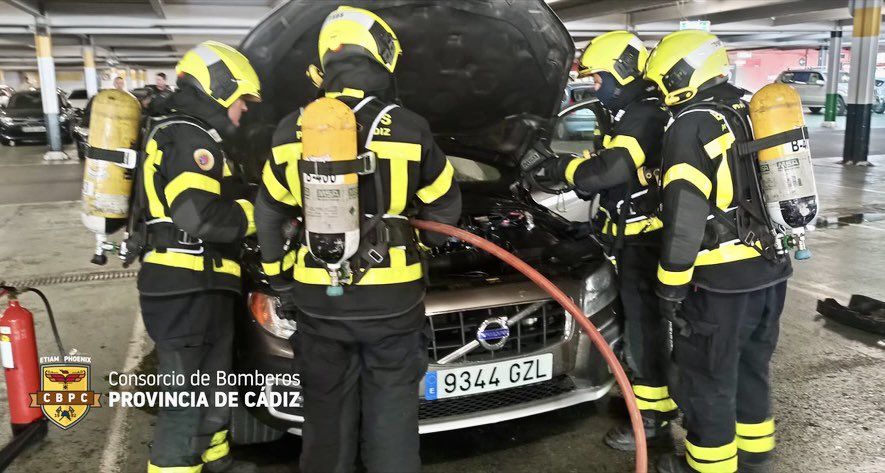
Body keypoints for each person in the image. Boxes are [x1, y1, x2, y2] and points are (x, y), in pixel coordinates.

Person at [254, 6, 461, 473]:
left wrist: (280, 279)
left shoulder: (293, 129)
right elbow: (447, 208)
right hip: (393, 302)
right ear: (380, 58)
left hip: (319, 303)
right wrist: (420, 246)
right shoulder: (410, 128)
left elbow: (268, 212)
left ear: (327, 62)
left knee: (325, 417)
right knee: (392, 414)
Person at [643, 30, 792, 473]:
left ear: (682, 73)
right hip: (772, 268)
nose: (661, 89)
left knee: (707, 377)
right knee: (751, 365)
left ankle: (705, 466)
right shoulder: (747, 108)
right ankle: (755, 451)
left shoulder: (691, 124)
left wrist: (670, 285)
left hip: (720, 280)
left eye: (663, 79)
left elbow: (685, 216)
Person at [526, 30, 675, 451]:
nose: (596, 86)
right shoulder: (626, 113)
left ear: (623, 71)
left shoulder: (644, 113)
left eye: (599, 78)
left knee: (645, 332)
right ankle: (636, 400)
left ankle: (653, 421)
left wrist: (562, 170)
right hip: (621, 238)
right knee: (630, 327)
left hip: (644, 246)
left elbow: (612, 171)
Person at [134, 41, 261, 473]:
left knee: (215, 385)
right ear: (219, 86)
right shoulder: (189, 135)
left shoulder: (197, 135)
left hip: (203, 283)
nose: (243, 111)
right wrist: (258, 215)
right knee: (184, 403)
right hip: (182, 284)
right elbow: (196, 216)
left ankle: (216, 459)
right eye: (241, 99)